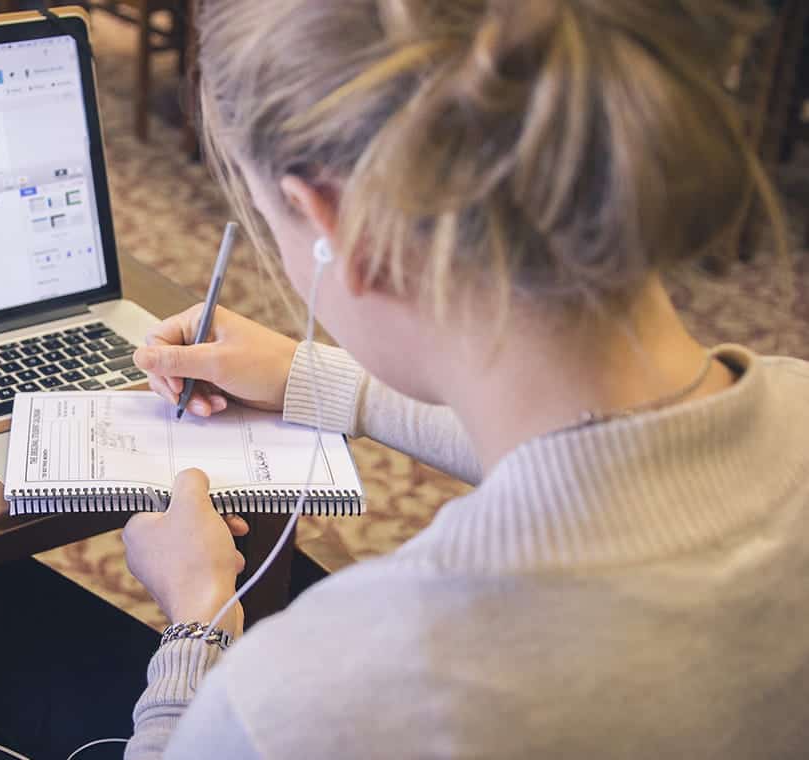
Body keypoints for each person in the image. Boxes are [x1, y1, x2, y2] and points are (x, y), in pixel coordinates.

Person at [119, 0, 809, 757]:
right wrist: (314, 378)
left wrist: (197, 617)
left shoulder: (313, 697)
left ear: (330, 222)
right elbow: (623, 468)